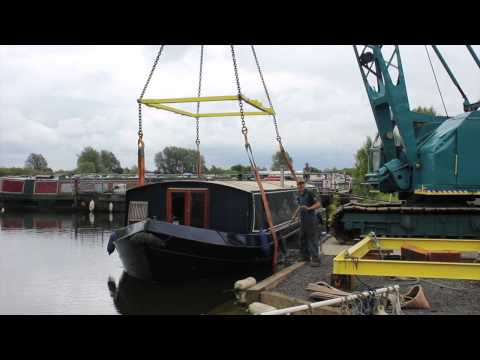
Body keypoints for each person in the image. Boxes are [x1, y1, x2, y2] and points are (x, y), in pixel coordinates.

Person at [292, 179, 322, 267]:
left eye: (301, 184)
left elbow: (318, 204)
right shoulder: (299, 195)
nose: (300, 185)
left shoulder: (309, 193)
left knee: (312, 240)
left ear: (304, 184)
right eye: (299, 184)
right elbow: (300, 206)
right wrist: (294, 215)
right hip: (303, 220)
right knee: (302, 238)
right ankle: (305, 256)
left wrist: (309, 208)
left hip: (311, 219)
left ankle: (316, 260)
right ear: (297, 185)